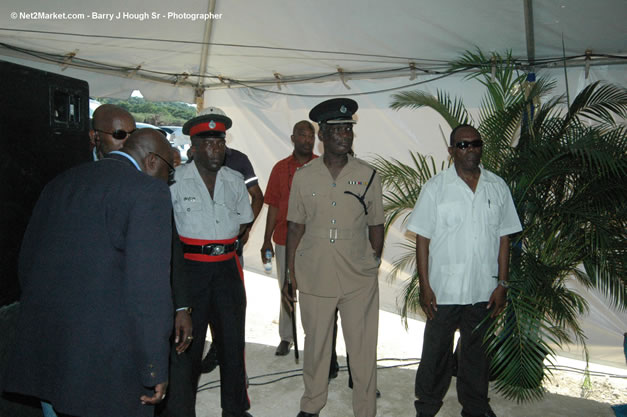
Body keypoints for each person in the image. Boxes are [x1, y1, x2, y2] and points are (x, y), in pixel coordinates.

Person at [2, 128, 176, 417]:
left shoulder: (61, 182)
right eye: (170, 172)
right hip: (103, 362)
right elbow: (148, 292)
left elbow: (27, 260)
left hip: (48, 346)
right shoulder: (148, 192)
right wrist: (154, 366)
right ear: (153, 161)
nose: (169, 180)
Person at [406, 124, 522, 417]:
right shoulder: (436, 188)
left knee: (477, 353)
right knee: (436, 353)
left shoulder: (497, 186)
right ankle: (427, 406)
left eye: (475, 143)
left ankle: (475, 407)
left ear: (481, 147)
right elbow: (422, 238)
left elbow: (504, 237)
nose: (470, 149)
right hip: (444, 289)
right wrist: (425, 286)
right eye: (462, 145)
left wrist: (502, 284)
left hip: (483, 288)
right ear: (451, 151)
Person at [284, 98, 384, 417]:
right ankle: (312, 404)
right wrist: (290, 274)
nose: (344, 135)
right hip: (314, 271)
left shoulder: (368, 175)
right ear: (322, 136)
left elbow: (377, 225)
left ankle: (365, 409)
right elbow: (295, 226)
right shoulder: (304, 175)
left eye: (348, 129)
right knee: (315, 345)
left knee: (363, 347)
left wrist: (372, 263)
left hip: (358, 274)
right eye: (337, 130)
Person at [159, 109, 254, 417]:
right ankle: (180, 411)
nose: (216, 149)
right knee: (186, 345)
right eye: (208, 143)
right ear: (193, 147)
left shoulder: (235, 181)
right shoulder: (175, 182)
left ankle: (235, 409)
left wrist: (221, 243)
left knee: (232, 343)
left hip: (227, 268)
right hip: (190, 270)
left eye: (220, 142)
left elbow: (244, 221)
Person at [199, 107, 264, 373]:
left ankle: (226, 353)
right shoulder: (193, 159)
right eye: (209, 137)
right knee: (201, 302)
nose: (215, 142)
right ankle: (208, 348)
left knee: (231, 304)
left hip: (229, 247)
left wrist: (245, 228)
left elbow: (257, 196)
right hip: (198, 248)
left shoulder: (239, 160)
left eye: (220, 137)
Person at [261, 120, 317, 356]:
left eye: (310, 135)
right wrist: (265, 241)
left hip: (314, 240)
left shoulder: (322, 167)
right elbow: (273, 206)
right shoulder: (280, 168)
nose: (307, 139)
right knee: (286, 287)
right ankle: (287, 336)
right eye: (302, 135)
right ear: (293, 138)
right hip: (284, 239)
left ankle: (314, 336)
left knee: (313, 290)